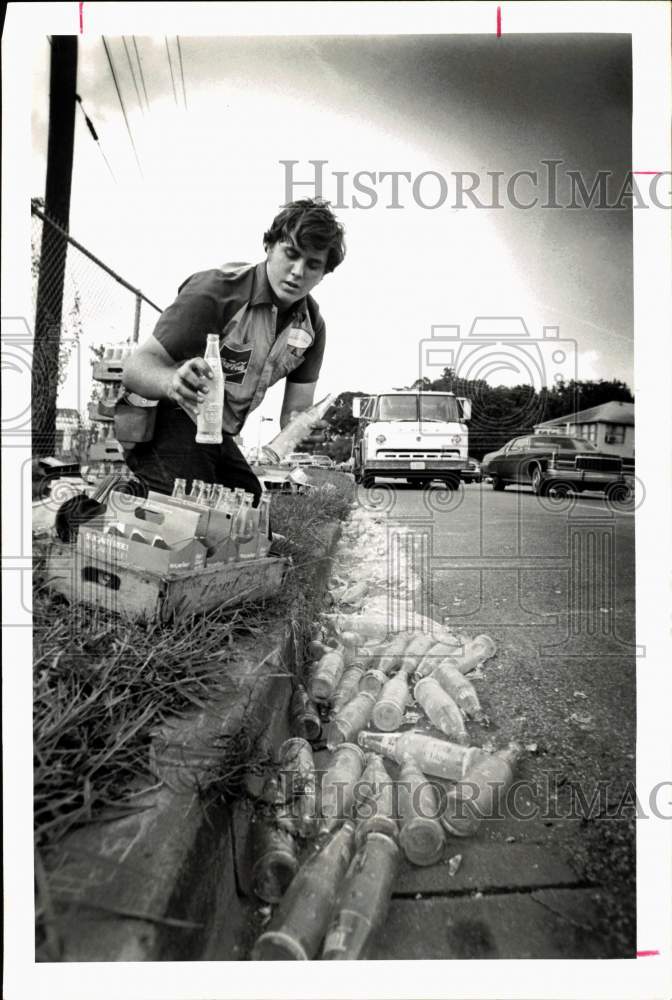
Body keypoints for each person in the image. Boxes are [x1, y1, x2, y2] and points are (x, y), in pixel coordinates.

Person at [120, 198, 345, 504]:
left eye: (313, 264)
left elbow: (294, 413)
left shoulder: (312, 328)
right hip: (161, 416)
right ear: (269, 246)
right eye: (291, 254)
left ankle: (137, 495)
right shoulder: (216, 291)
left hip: (215, 432)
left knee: (248, 504)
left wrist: (306, 427)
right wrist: (172, 382)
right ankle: (109, 505)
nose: (297, 272)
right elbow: (135, 367)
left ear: (324, 273)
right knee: (195, 508)